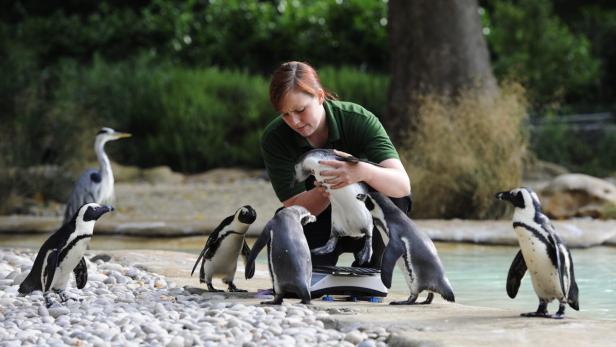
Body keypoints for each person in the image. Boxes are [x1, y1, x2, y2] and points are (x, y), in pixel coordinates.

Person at [260, 61, 411, 267]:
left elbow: (402, 185)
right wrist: (325, 189)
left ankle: (375, 267)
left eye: (300, 110)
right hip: (321, 218)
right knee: (285, 225)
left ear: (320, 96)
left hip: (366, 217)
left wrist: (361, 171)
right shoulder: (275, 138)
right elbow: (293, 206)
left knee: (395, 198)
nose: (294, 121)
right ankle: (315, 268)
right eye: (286, 114)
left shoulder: (358, 119)